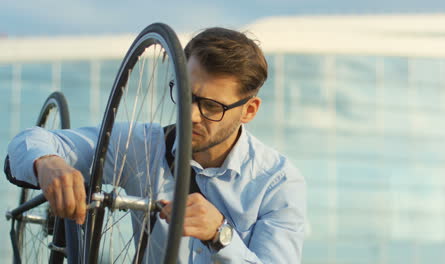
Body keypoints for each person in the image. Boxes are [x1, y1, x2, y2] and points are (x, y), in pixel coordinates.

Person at [7, 27, 306, 263]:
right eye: (186, 94)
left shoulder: (277, 182)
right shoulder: (143, 145)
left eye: (212, 106)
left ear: (249, 110)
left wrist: (220, 235)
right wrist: (47, 163)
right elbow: (28, 142)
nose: (190, 116)